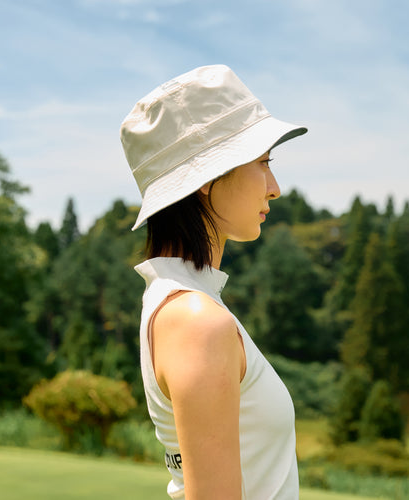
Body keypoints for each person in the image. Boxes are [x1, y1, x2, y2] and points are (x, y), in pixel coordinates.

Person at [120, 64, 307, 499]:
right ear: (207, 177)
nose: (274, 187)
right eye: (263, 162)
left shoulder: (181, 304)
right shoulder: (196, 320)